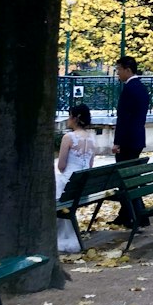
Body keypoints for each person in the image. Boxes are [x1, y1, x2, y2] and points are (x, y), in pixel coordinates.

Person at [113, 56, 150, 226]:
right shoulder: (141, 88)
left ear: (128, 70)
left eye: (119, 70)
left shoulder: (129, 89)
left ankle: (137, 217)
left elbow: (124, 119)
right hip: (137, 138)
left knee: (126, 180)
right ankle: (127, 214)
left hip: (127, 141)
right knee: (131, 179)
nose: (117, 73)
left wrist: (117, 142)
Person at [55, 103, 96, 252]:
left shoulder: (69, 137)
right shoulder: (92, 139)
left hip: (69, 184)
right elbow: (90, 165)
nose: (68, 119)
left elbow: (61, 166)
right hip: (83, 186)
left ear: (75, 118)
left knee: (56, 182)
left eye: (69, 116)